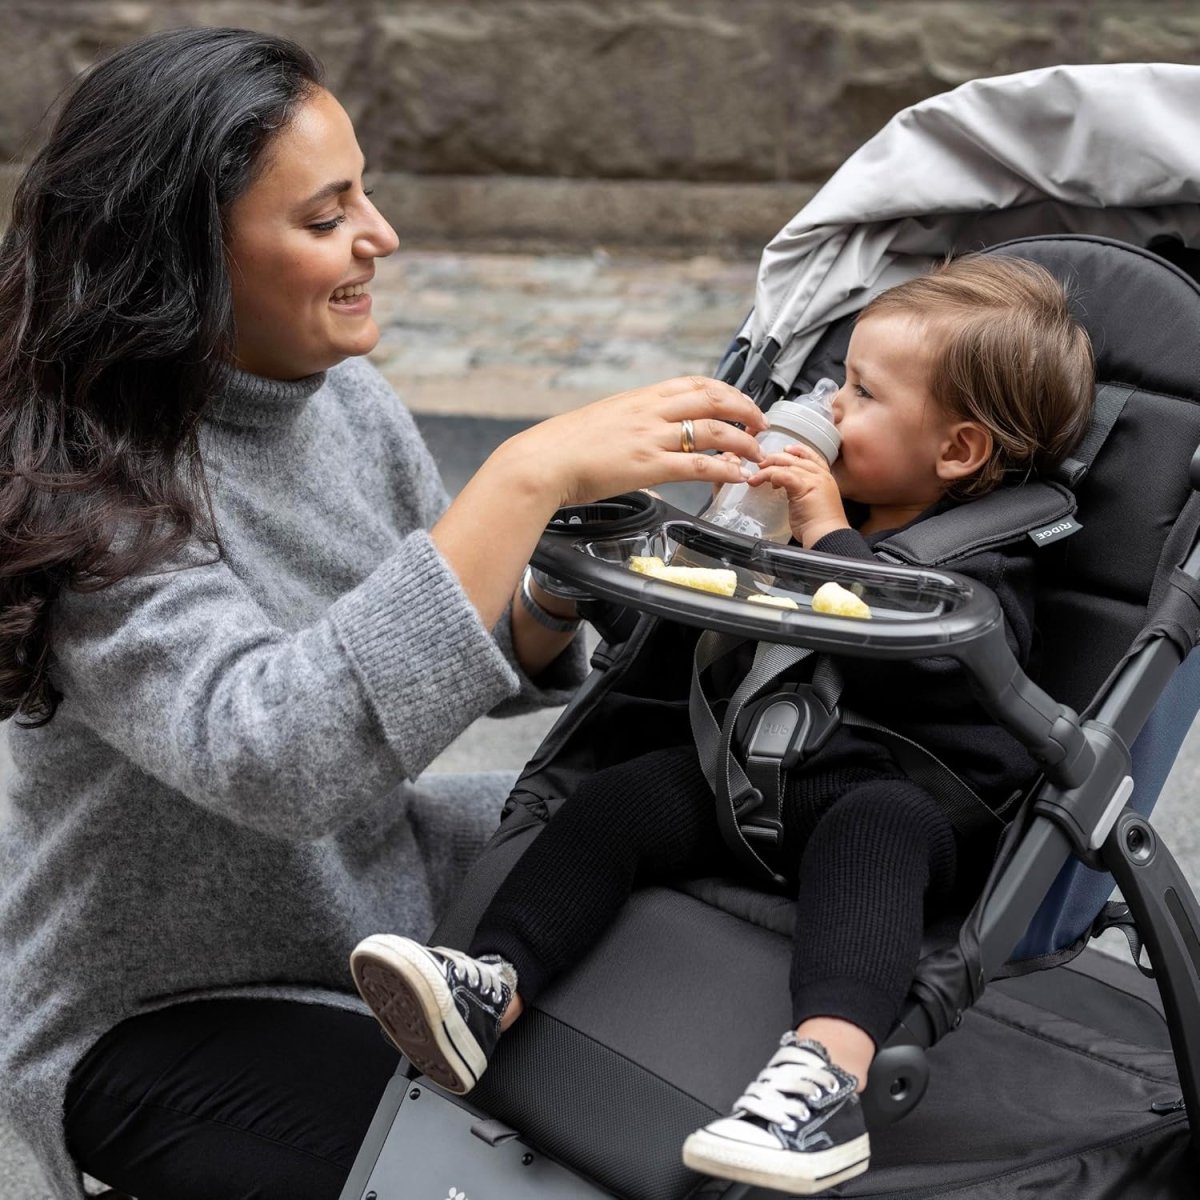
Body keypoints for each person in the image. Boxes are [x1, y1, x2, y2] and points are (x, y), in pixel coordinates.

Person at [0, 26, 770, 1200]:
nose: (382, 238)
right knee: (536, 1171)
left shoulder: (341, 398)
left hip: (368, 908)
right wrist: (522, 478)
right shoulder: (81, 490)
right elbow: (281, 756)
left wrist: (555, 579)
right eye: (325, 218)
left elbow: (462, 650)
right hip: (152, 1010)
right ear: (180, 260)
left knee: (690, 853)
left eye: (365, 194)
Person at [349, 253, 1096, 1195]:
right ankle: (489, 989)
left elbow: (934, 665)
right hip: (750, 777)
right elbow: (692, 632)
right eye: (836, 379)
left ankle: (826, 1078)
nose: (825, 406)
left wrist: (829, 538)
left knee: (877, 831)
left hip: (901, 796)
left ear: (958, 452)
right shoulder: (799, 508)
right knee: (621, 800)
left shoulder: (987, 565)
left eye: (860, 394)